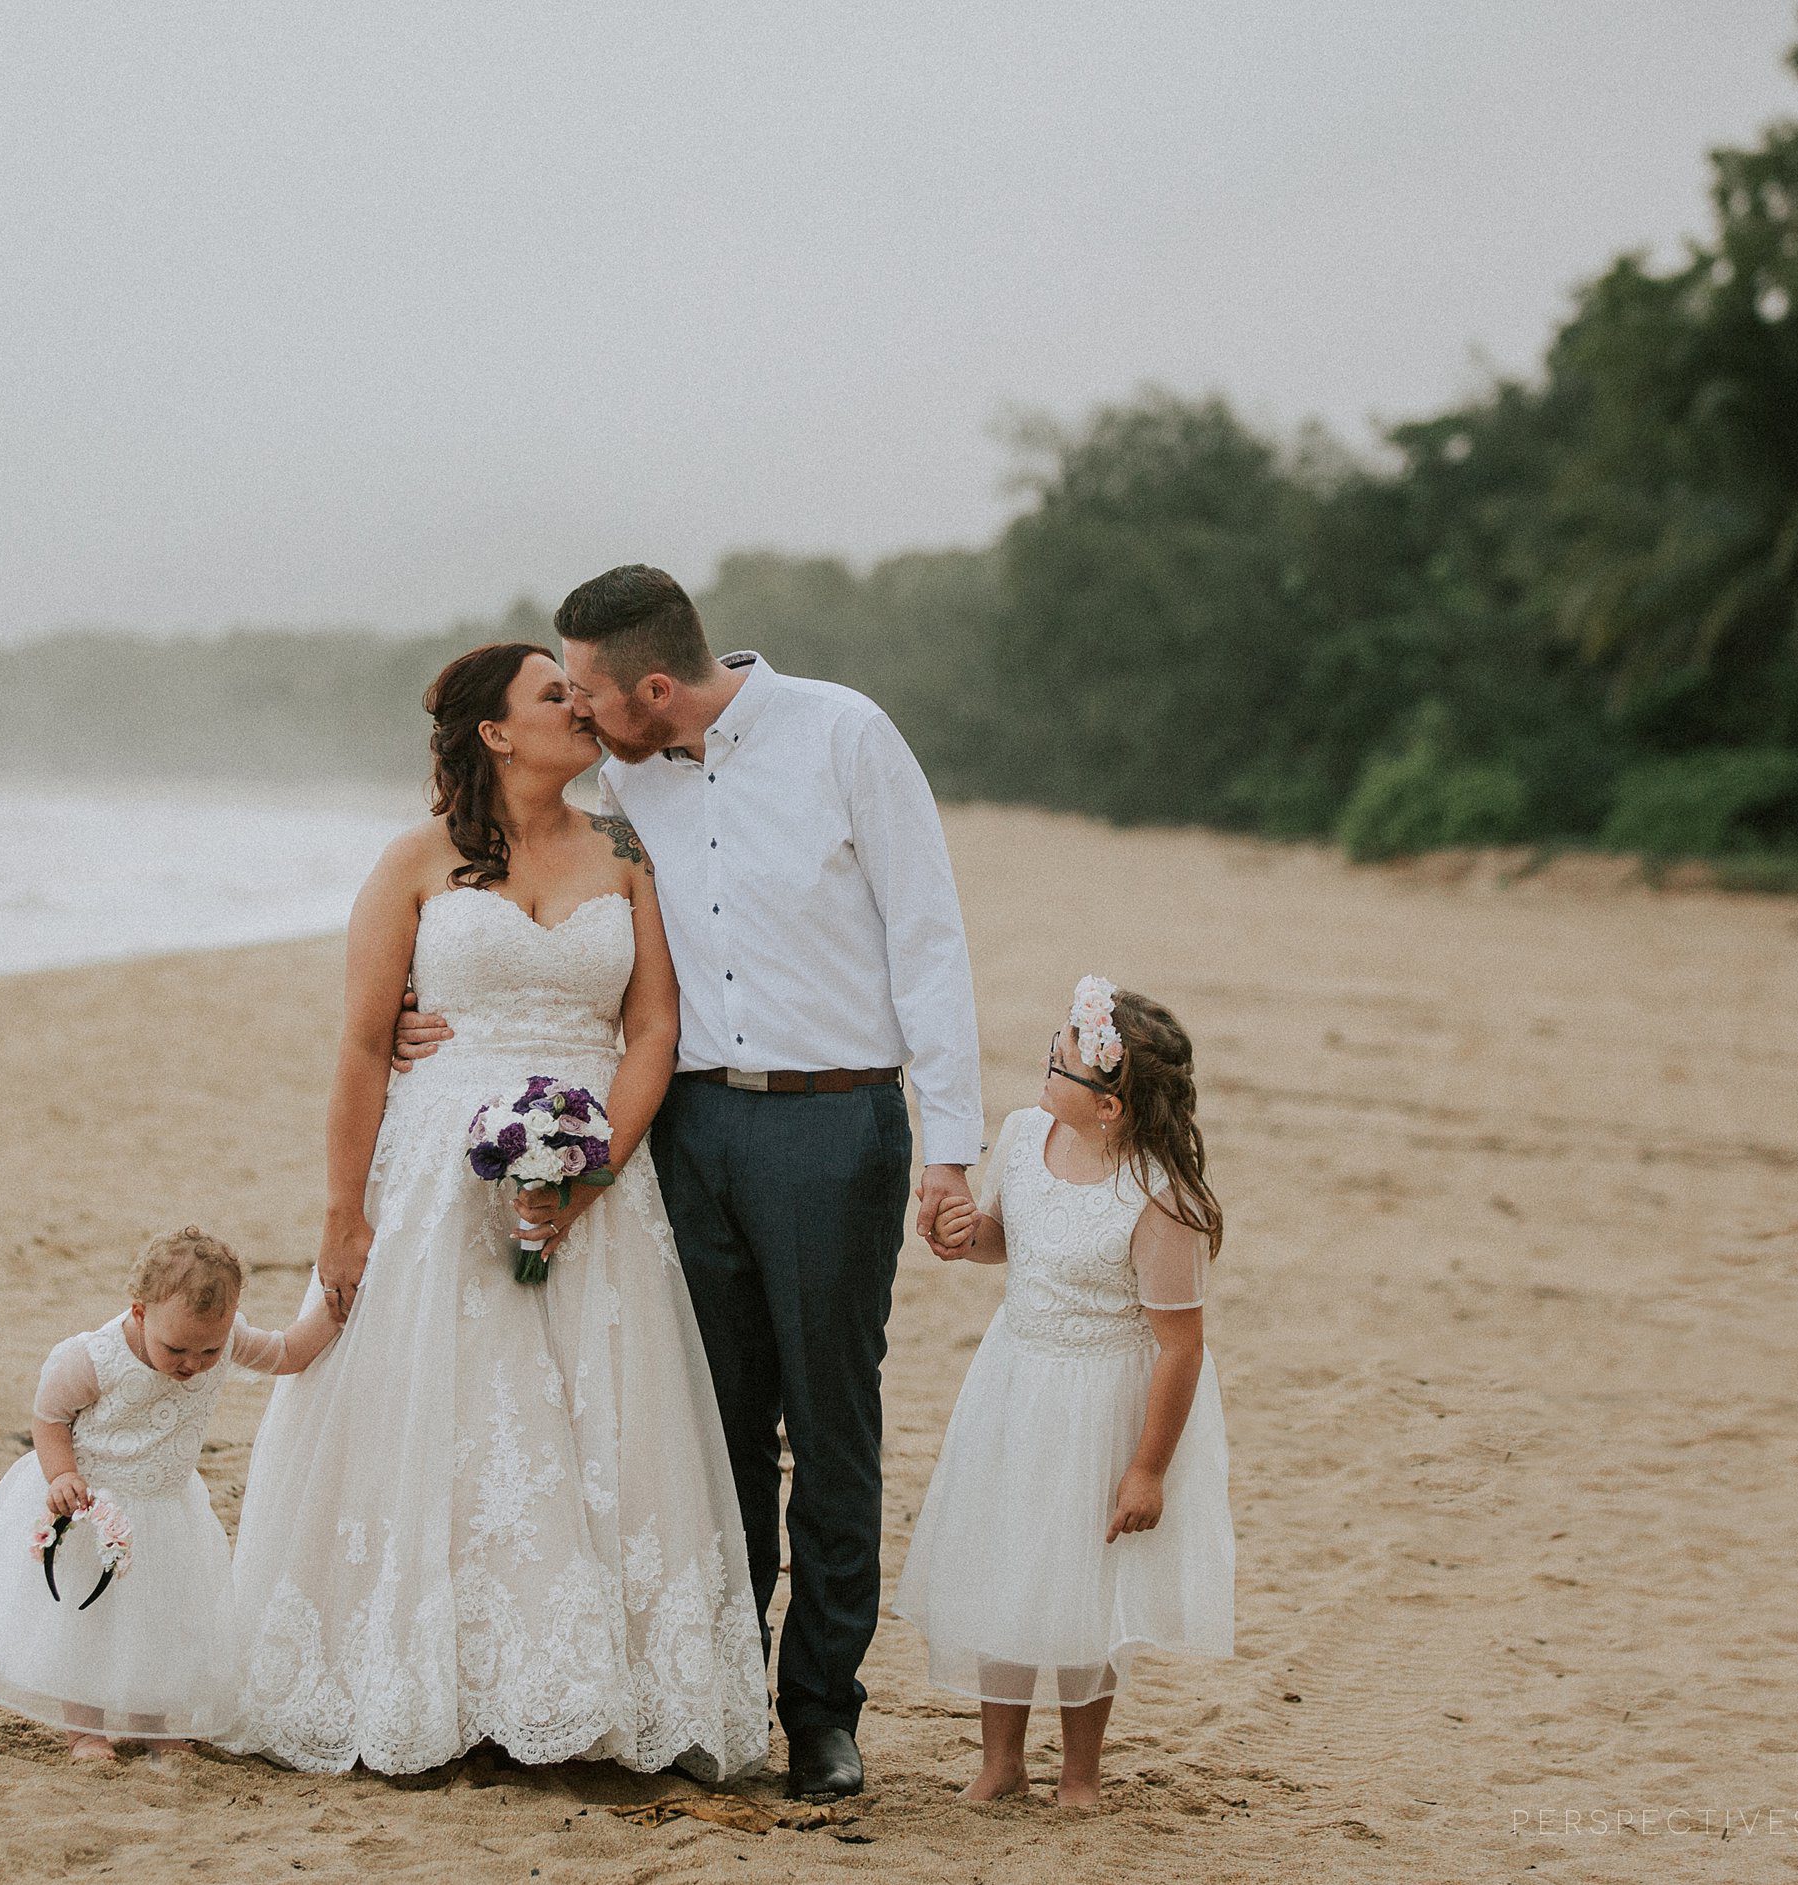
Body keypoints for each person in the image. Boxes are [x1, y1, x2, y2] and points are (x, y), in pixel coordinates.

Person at [395, 566, 983, 1799]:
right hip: (687, 1130)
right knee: (711, 1426)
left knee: (830, 1422)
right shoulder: (621, 785)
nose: (579, 711)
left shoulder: (844, 735)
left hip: (834, 1119)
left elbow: (928, 934)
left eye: (589, 692)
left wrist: (950, 1146)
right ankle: (718, 1692)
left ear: (653, 686)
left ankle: (821, 1712)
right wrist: (418, 1011)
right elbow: (514, 885)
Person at [224, 640, 771, 1782]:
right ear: (495, 732)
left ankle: (579, 1692)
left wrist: (592, 1171)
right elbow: (362, 1044)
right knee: (448, 1413)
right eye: (552, 694)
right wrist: (341, 1213)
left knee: (595, 1418)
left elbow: (653, 1028)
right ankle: (436, 1687)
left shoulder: (624, 849)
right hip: (439, 1172)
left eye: (577, 690)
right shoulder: (414, 859)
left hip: (596, 1172)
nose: (578, 706)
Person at [897, 978, 1235, 1807]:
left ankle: (1079, 1772)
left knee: (1084, 1580)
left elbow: (1180, 1346)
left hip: (1100, 1402)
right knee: (1006, 1560)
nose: (1046, 1063)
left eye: (1062, 1063)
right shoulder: (1023, 1134)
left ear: (1110, 1106)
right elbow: (1005, 1240)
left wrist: (1146, 1468)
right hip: (1015, 1380)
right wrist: (961, 1234)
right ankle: (1000, 1762)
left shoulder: (1157, 1197)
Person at [0, 1226, 341, 1760]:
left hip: (167, 1511)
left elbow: (286, 1353)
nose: (192, 1363)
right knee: (88, 1619)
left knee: (160, 1619)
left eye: (209, 1350)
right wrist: (61, 1476)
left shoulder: (225, 1337)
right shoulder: (93, 1358)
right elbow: (49, 1417)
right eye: (176, 1349)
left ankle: (153, 1727)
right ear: (141, 1312)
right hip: (92, 1511)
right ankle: (85, 1730)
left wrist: (333, 1311)